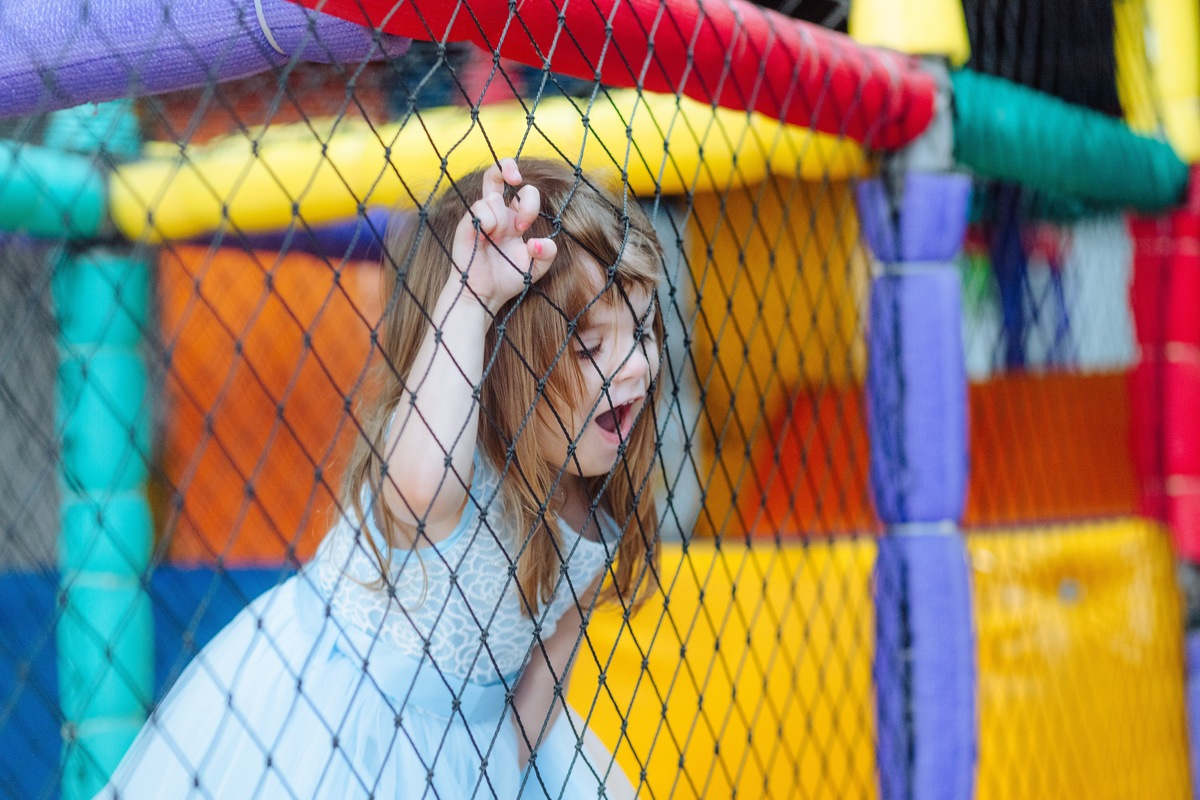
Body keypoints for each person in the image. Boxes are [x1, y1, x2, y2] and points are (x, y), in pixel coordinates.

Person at [100, 157, 664, 799]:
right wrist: (471, 297)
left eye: (642, 331)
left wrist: (500, 777)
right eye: (589, 347)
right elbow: (419, 492)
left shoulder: (592, 513)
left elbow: (543, 683)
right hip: (328, 727)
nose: (634, 367)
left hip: (479, 752)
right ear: (500, 366)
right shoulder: (445, 466)